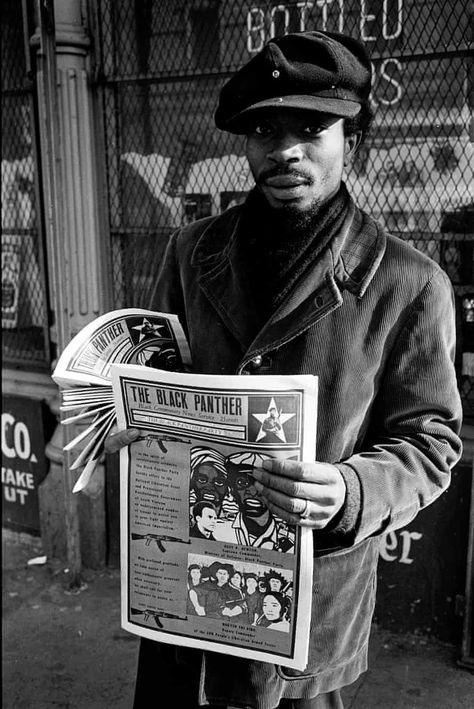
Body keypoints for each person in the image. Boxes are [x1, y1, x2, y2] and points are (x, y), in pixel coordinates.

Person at [105, 29, 462, 709]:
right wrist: (125, 420)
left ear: (353, 139)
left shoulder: (409, 285)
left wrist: (350, 490)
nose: (285, 148)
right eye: (265, 128)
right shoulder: (190, 252)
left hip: (308, 611)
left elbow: (431, 442)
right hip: (182, 591)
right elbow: (154, 378)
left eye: (312, 126)